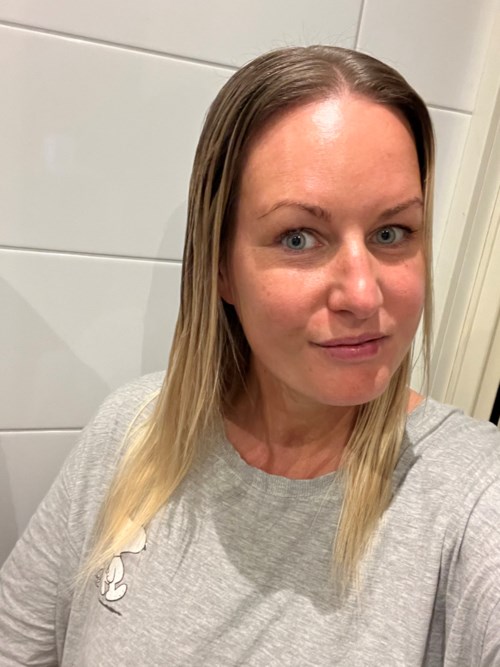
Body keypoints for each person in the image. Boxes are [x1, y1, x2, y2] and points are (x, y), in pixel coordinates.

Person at [0, 45, 499, 666]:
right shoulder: (131, 431)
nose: (363, 294)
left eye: (391, 233)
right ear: (221, 268)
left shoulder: (473, 498)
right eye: (299, 238)